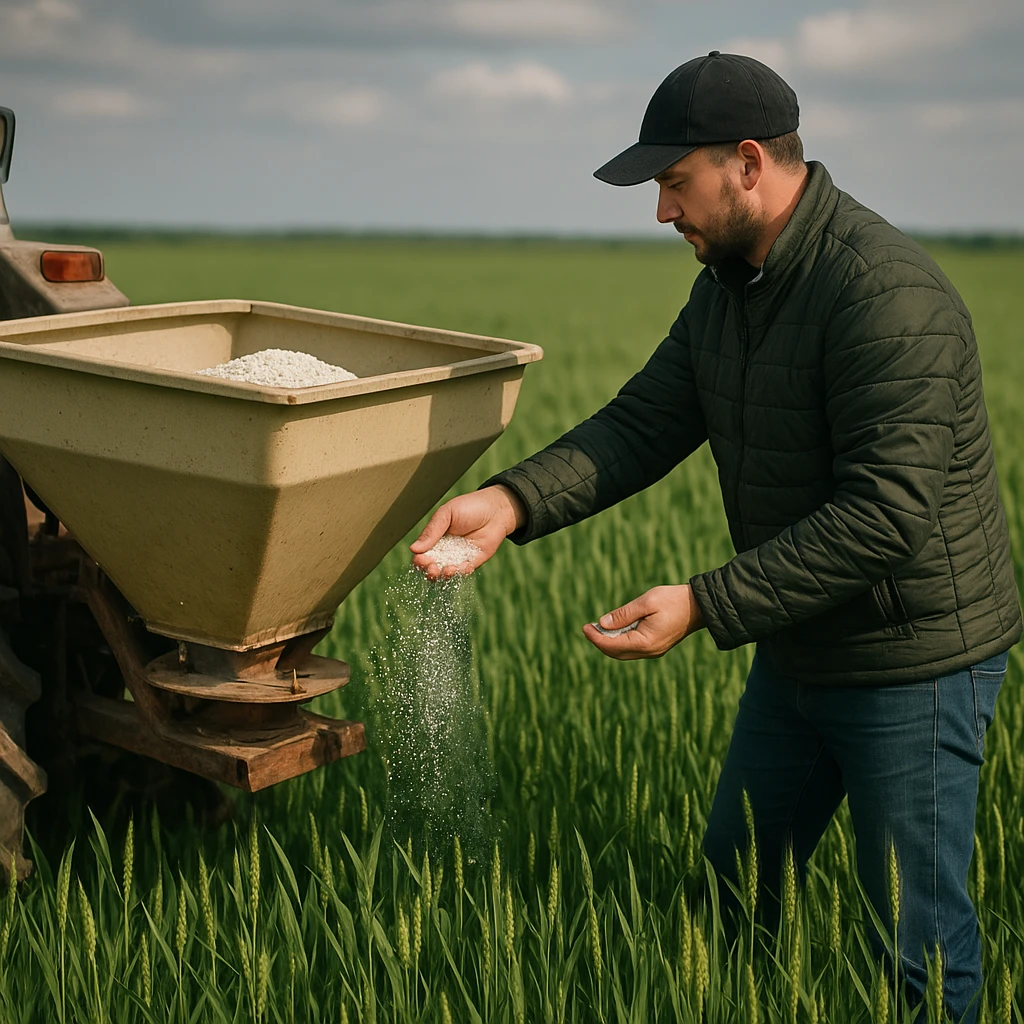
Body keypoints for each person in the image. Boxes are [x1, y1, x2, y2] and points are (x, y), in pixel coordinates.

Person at [410, 51, 1021, 1022]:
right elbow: (644, 421)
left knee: (916, 941)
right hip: (797, 645)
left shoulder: (885, 295)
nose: (662, 212)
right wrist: (512, 502)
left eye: (672, 182)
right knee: (734, 889)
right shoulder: (732, 287)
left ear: (747, 162)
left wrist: (702, 604)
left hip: (913, 663)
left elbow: (885, 515)